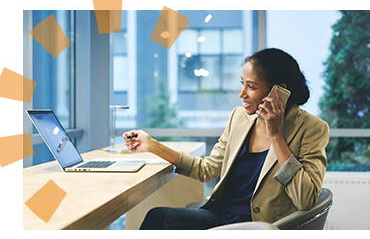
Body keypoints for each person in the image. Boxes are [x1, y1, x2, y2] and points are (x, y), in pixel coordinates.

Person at [123, 48, 329, 230]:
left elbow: (306, 200)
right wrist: (152, 145)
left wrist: (276, 136)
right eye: (242, 84)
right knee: (159, 218)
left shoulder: (311, 129)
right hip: (221, 217)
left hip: (259, 226)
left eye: (252, 87)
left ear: (279, 91)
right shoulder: (239, 117)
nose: (242, 94)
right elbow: (207, 169)